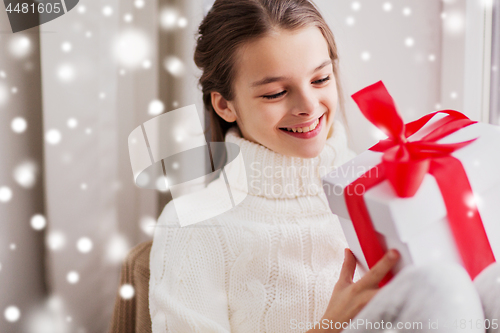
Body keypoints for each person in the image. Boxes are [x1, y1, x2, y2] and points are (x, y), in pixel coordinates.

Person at [148, 0, 500, 332]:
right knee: (441, 286)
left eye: (320, 79)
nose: (309, 106)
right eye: (275, 93)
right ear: (225, 105)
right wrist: (330, 325)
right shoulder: (192, 226)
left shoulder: (378, 183)